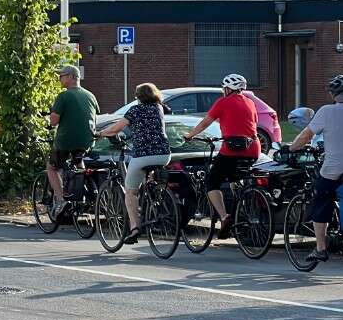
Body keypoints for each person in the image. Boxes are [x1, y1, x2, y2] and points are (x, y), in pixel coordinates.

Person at [288, 74, 343, 264]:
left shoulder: (326, 111)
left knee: (322, 198)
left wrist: (291, 148)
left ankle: (320, 248)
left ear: (332, 94)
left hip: (337, 166)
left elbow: (306, 135)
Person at [185, 73, 261, 234]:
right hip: (253, 149)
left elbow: (205, 123)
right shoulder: (251, 102)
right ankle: (241, 205)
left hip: (232, 150)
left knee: (212, 182)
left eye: (224, 88)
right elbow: (252, 124)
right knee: (235, 177)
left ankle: (225, 216)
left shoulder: (223, 102)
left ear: (228, 89)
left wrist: (190, 135)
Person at [99, 82, 171, 241]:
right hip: (164, 155)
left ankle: (135, 228)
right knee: (147, 177)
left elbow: (116, 128)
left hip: (143, 156)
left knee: (131, 192)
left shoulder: (135, 110)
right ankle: (152, 195)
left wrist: (100, 133)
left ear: (138, 97)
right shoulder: (159, 108)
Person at [47, 65, 100, 213]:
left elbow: (53, 121)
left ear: (71, 77)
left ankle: (61, 200)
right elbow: (94, 115)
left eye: (62, 76)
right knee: (78, 161)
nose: (60, 78)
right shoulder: (91, 95)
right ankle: (84, 192)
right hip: (87, 141)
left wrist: (50, 118)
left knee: (52, 168)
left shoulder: (64, 96)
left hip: (66, 140)